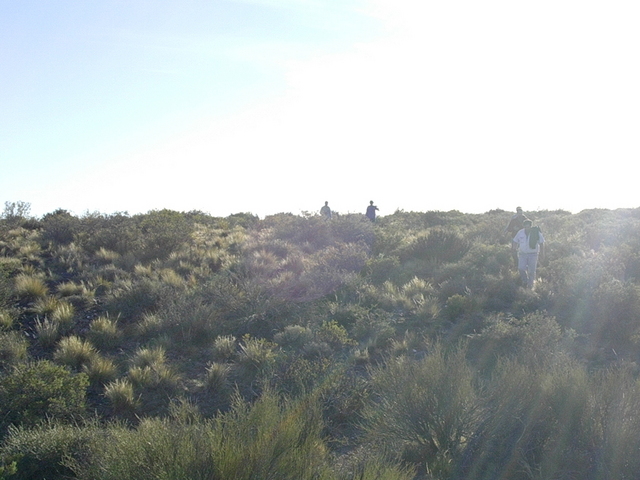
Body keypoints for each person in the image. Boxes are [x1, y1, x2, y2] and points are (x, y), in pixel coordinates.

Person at [512, 219, 545, 288]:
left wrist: (542, 253)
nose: (527, 228)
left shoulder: (536, 232)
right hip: (522, 254)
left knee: (531, 270)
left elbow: (541, 243)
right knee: (521, 268)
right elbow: (515, 241)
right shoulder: (520, 232)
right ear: (523, 226)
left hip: (533, 254)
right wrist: (514, 248)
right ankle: (525, 281)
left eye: (528, 226)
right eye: (525, 227)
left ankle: (531, 285)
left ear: (530, 226)